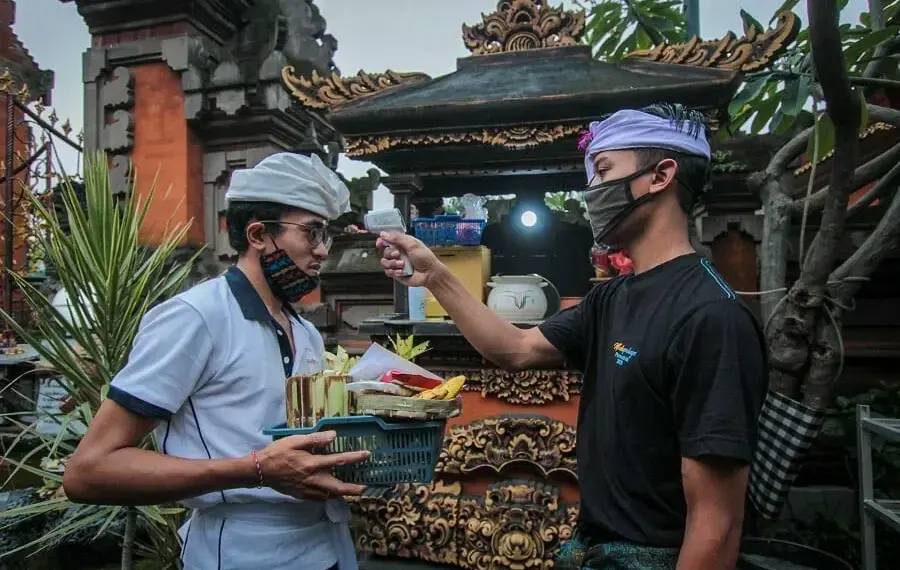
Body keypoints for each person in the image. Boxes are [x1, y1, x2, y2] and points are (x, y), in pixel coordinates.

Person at [377, 104, 768, 570]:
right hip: (593, 549)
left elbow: (717, 522)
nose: (592, 191)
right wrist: (437, 275)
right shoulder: (613, 297)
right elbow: (516, 349)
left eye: (603, 171)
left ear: (661, 176)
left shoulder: (711, 317)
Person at [63, 152, 371, 570]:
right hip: (243, 550)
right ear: (259, 234)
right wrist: (257, 470)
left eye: (327, 237)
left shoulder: (306, 331)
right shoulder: (196, 318)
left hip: (327, 545)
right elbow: (88, 471)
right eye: (312, 233)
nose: (322, 251)